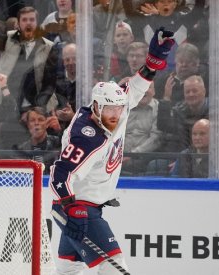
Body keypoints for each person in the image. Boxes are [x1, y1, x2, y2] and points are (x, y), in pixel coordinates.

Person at [49, 27, 174, 274]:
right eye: (109, 110)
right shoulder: (86, 137)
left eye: (118, 109)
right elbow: (59, 175)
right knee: (115, 269)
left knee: (67, 270)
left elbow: (135, 88)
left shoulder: (116, 106)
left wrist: (152, 61)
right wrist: (72, 209)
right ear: (96, 107)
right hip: (78, 209)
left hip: (86, 207)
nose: (115, 115)